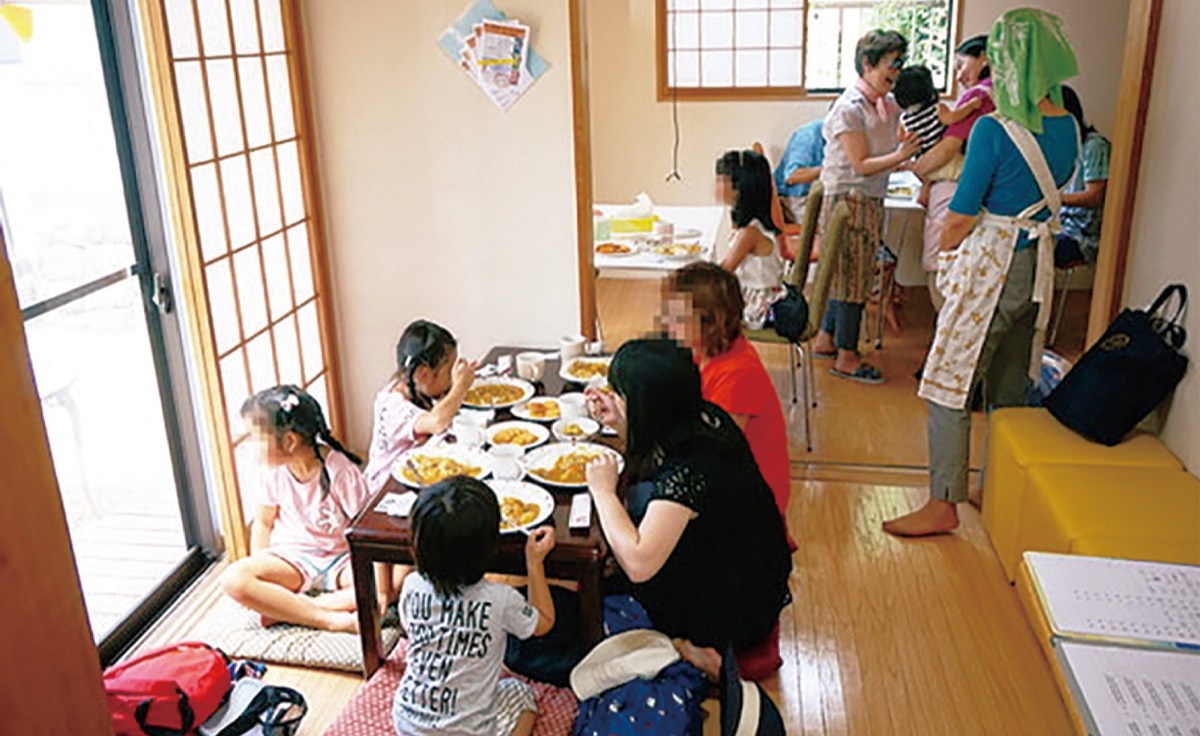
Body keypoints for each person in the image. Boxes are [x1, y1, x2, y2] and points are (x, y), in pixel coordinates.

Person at [884, 9, 1081, 537]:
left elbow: (962, 213)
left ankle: (943, 502)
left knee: (947, 381)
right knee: (1010, 386)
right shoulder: (1069, 127)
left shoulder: (995, 129)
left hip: (989, 267)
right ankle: (994, 486)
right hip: (1034, 267)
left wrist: (946, 255)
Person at [583, 339, 793, 681]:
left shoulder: (692, 468)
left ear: (647, 405)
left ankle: (691, 650)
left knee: (610, 587)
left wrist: (603, 492)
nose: (614, 399)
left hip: (735, 598)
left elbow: (640, 564)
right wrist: (622, 421)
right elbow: (657, 449)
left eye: (620, 395)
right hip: (747, 560)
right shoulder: (701, 417)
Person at [391, 476, 556, 736]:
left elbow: (409, 627)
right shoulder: (501, 599)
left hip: (408, 723)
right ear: (491, 548)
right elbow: (544, 621)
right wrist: (535, 564)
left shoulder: (411, 585)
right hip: (470, 731)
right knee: (521, 694)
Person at [220, 385, 386, 632]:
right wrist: (261, 567)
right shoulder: (271, 471)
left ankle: (292, 609)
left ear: (289, 441)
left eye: (255, 437)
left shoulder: (340, 472)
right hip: (292, 559)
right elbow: (263, 523)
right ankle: (327, 619)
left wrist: (382, 593)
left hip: (341, 559)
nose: (250, 445)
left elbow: (370, 529)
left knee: (380, 585)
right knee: (233, 579)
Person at [659, 262, 795, 553]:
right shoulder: (703, 351)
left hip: (751, 497)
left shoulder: (739, 373)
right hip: (722, 472)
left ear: (711, 322)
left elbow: (711, 456)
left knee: (643, 502)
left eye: (678, 318)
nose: (667, 324)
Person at [812, 29, 920, 384]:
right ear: (867, 64)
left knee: (844, 274)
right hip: (849, 199)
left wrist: (899, 156)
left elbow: (881, 154)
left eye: (900, 65)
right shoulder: (850, 108)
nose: (897, 72)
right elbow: (859, 164)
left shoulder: (885, 104)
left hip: (865, 198)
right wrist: (900, 155)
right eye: (891, 64)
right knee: (853, 279)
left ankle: (827, 340)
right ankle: (847, 356)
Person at [912, 34, 997, 312]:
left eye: (961, 65)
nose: (959, 76)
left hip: (953, 189)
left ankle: (947, 341)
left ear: (984, 58)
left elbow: (948, 148)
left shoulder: (979, 95)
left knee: (940, 268)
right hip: (985, 190)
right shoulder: (1003, 95)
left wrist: (918, 167)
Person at [362, 320, 478, 494]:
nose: (452, 378)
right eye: (449, 372)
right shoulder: (392, 407)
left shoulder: (418, 388)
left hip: (419, 472)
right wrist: (460, 386)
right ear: (423, 373)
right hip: (389, 489)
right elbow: (438, 422)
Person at [716, 150, 787, 331]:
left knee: (696, 307)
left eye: (723, 181)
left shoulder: (750, 233)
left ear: (743, 189)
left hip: (758, 308)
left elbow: (724, 271)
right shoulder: (749, 225)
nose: (717, 187)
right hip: (752, 296)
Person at [1056, 85, 1111, 266]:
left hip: (1081, 234)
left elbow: (1094, 196)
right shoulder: (1068, 147)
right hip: (1062, 225)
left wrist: (1055, 199)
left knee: (1028, 248)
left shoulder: (1094, 146)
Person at [894, 64, 984, 162]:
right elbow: (952, 118)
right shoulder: (937, 108)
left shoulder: (904, 119)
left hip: (922, 161)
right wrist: (971, 105)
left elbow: (900, 137)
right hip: (943, 160)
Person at [773, 117, 825, 223]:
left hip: (819, 195)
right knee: (843, 222)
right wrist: (829, 168)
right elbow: (793, 175)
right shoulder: (808, 136)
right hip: (796, 198)